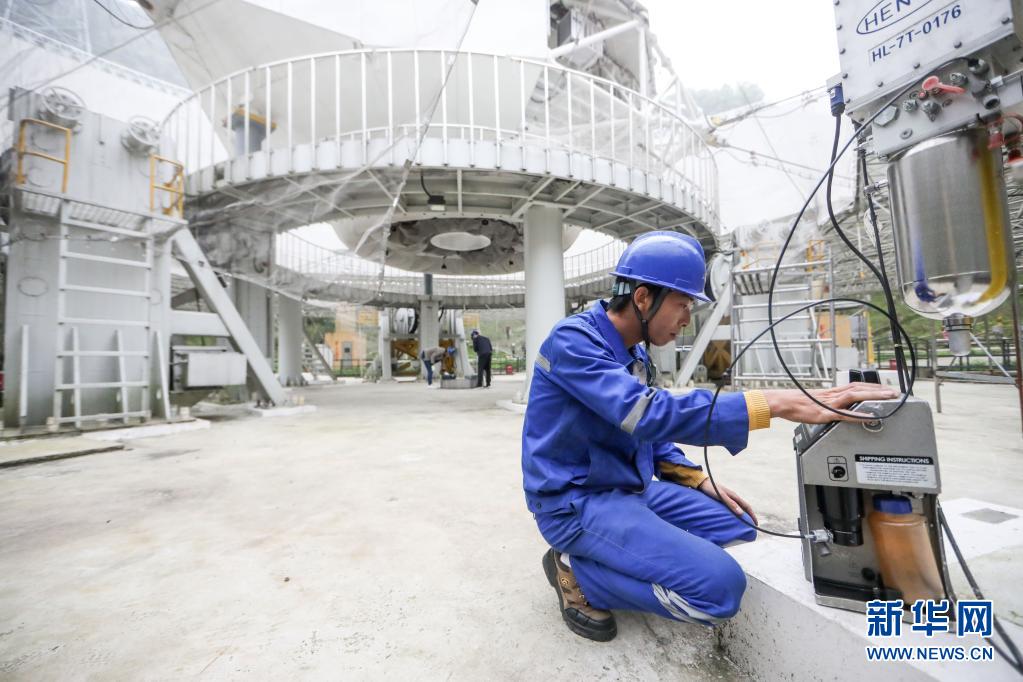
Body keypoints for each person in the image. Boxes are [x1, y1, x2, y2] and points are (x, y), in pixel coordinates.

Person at [521, 231, 898, 642]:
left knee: (740, 524)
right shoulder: (573, 342)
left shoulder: (635, 352)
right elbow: (646, 415)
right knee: (719, 590)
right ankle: (577, 575)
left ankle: (621, 549)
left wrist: (696, 479)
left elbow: (647, 435)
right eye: (683, 304)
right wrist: (772, 403)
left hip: (629, 489)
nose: (687, 318)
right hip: (577, 503)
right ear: (643, 298)